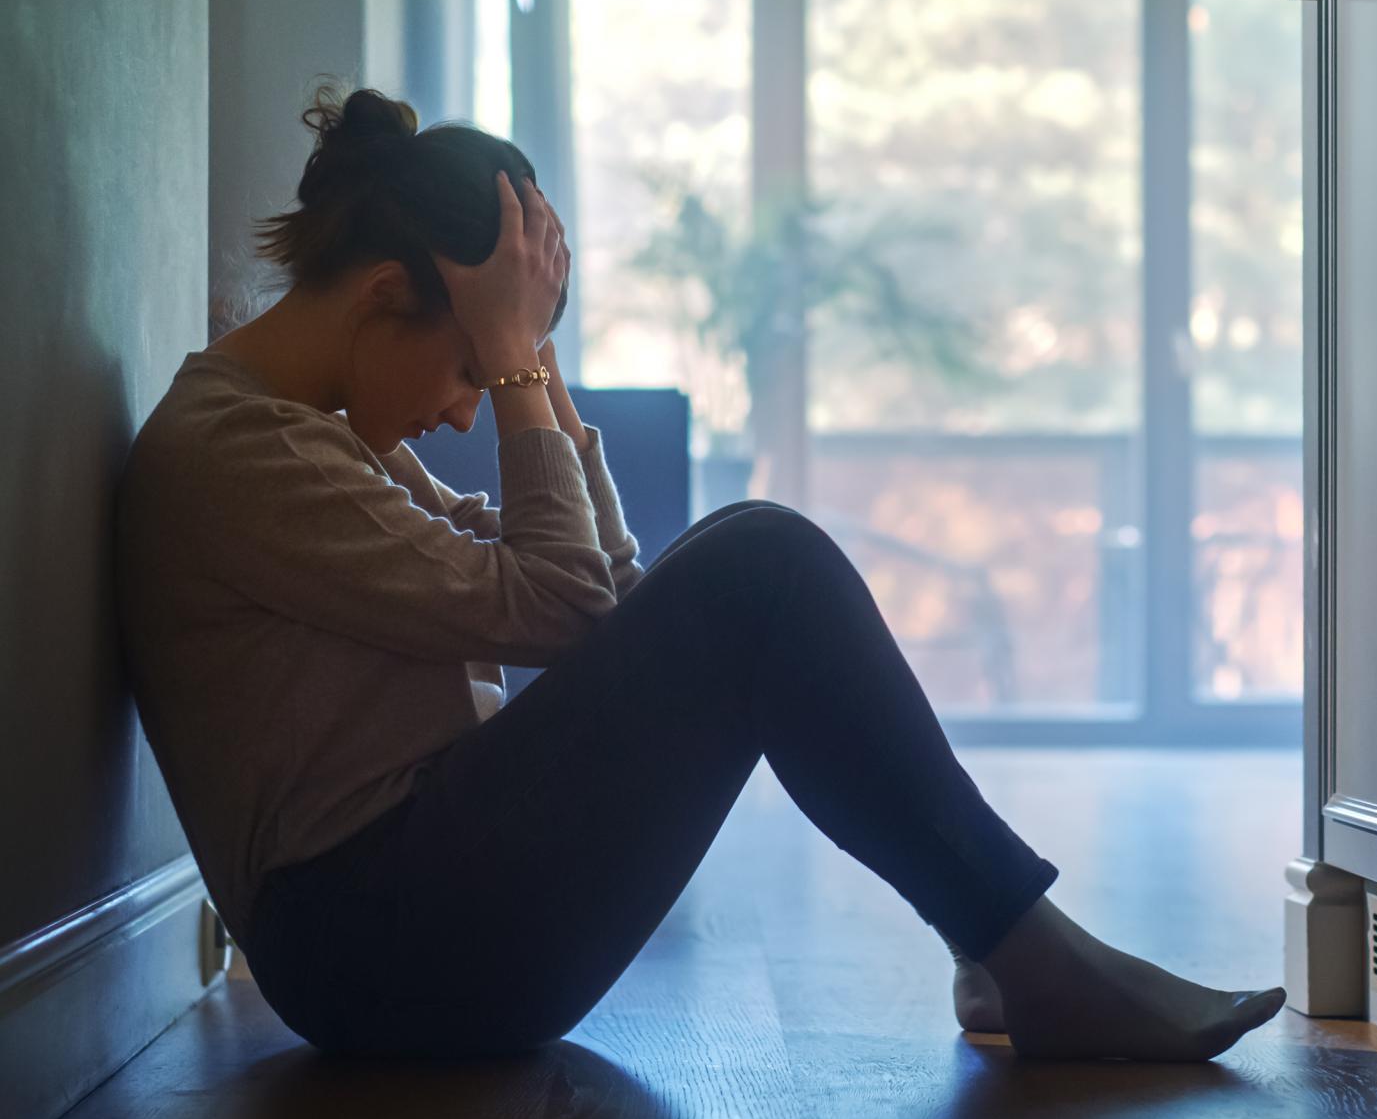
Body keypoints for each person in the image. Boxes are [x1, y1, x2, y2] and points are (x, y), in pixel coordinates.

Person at [113, 83, 1287, 1062]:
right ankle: (1023, 955)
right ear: (382, 298)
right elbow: (566, 602)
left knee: (751, 557)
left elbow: (602, 605)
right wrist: (519, 361)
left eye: (492, 375)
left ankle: (1007, 953)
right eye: (472, 366)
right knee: (761, 560)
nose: (467, 410)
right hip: (378, 954)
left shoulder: (312, 438)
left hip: (416, 918)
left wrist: (535, 369)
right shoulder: (240, 452)